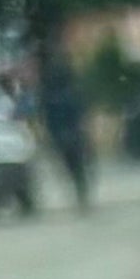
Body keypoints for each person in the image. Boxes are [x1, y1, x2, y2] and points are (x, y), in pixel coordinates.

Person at [38, 39, 96, 211]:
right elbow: (82, 113)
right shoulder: (72, 92)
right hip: (73, 133)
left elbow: (46, 118)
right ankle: (81, 194)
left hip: (62, 135)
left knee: (70, 166)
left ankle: (79, 194)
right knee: (80, 166)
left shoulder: (48, 95)